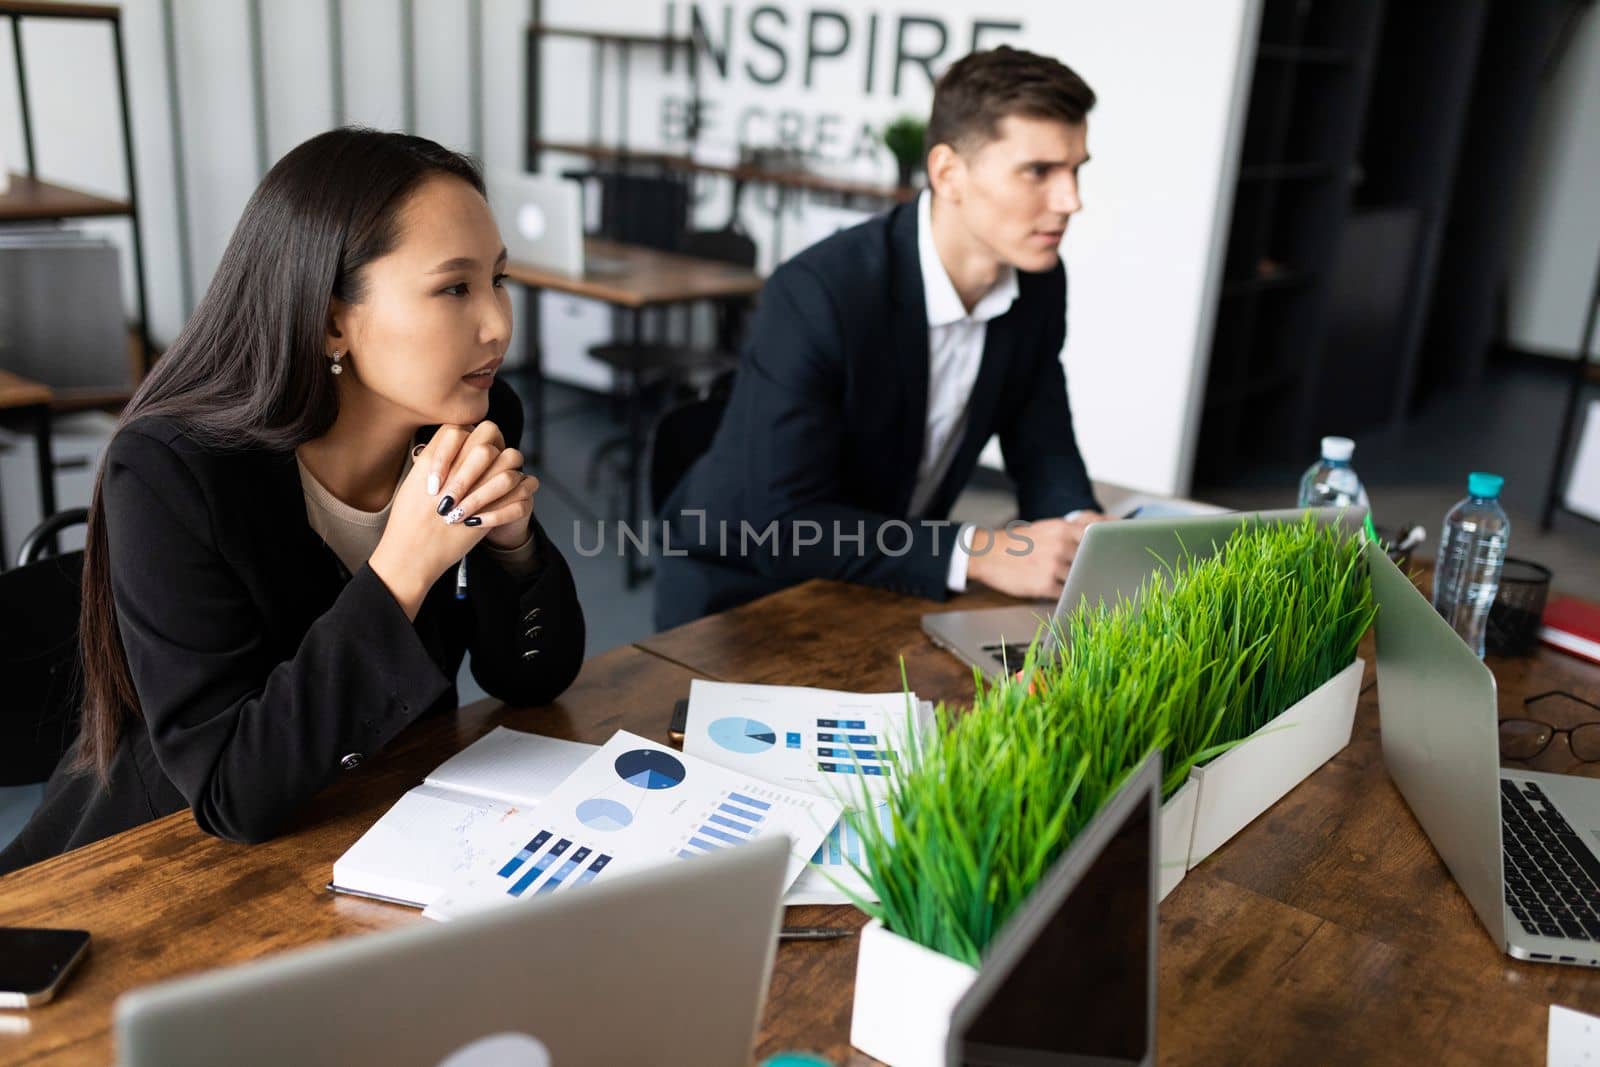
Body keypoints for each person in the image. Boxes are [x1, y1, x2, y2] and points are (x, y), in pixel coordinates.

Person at [0, 129, 585, 875]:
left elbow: (532, 679)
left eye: (498, 279)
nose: (499, 322)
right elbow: (230, 793)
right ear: (332, 317)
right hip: (158, 863)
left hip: (380, 830)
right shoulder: (170, 473)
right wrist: (401, 570)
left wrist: (513, 547)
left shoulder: (468, 416)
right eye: (455, 287)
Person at [655, 46, 1108, 630]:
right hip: (743, 592)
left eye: (1076, 169)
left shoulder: (1039, 281)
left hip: (885, 584)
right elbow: (784, 523)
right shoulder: (820, 292)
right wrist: (977, 552)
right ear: (949, 173)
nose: (1071, 200)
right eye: (1038, 171)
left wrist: (1082, 527)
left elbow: (1040, 436)